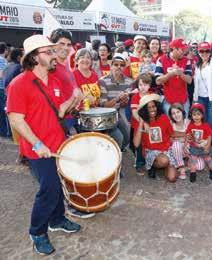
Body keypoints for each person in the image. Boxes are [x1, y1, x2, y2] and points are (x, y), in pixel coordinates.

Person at [6, 35, 81, 255]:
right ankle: (37, 231)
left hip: (57, 144)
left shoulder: (55, 80)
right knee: (49, 189)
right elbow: (15, 119)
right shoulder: (19, 84)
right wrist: (37, 143)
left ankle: (57, 220)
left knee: (58, 185)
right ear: (34, 57)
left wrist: (73, 99)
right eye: (48, 52)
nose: (54, 54)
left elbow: (59, 111)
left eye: (53, 50)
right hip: (37, 149)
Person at [133, 94, 177, 181]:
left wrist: (185, 134)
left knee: (172, 178)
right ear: (145, 110)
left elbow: (172, 134)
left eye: (154, 106)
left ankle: (165, 166)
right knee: (164, 161)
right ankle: (153, 165)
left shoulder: (163, 118)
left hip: (166, 150)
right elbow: (136, 144)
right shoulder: (142, 123)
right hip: (151, 150)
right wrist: (142, 122)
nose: (152, 109)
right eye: (149, 108)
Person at [99, 53, 133, 150]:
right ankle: (115, 157)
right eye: (116, 64)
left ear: (125, 67)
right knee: (119, 138)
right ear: (111, 66)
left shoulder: (129, 82)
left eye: (122, 65)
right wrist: (118, 98)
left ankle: (116, 152)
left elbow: (123, 105)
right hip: (105, 115)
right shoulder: (103, 81)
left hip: (118, 113)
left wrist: (124, 101)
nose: (119, 67)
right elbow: (104, 106)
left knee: (127, 137)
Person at [155, 38, 193, 115]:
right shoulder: (161, 59)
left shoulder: (186, 60)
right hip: (168, 99)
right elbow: (157, 81)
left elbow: (189, 80)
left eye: (185, 49)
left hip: (183, 99)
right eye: (182, 49)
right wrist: (171, 73)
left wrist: (180, 73)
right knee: (170, 125)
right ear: (174, 49)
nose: (184, 52)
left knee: (184, 124)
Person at [185, 103, 212, 183]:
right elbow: (188, 135)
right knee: (193, 160)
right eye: (194, 114)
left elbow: (209, 136)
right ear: (191, 115)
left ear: (202, 115)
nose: (196, 117)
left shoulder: (205, 125)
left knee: (208, 159)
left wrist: (208, 146)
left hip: (204, 146)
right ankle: (193, 173)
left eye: (198, 114)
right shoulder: (190, 125)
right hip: (194, 146)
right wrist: (186, 143)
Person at [130, 73, 152, 175]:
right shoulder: (135, 97)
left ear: (149, 86)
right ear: (138, 86)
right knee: (138, 144)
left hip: (149, 124)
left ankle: (149, 161)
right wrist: (143, 123)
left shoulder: (151, 96)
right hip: (137, 124)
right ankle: (139, 163)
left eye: (145, 85)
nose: (143, 87)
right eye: (141, 85)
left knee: (147, 143)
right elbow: (134, 113)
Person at [169, 103, 191, 180]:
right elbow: (170, 139)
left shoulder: (188, 122)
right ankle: (181, 166)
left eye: (178, 112)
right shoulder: (171, 124)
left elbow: (191, 137)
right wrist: (185, 136)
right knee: (176, 144)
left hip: (188, 148)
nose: (176, 115)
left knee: (201, 165)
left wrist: (185, 142)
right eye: (173, 113)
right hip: (176, 150)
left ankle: (186, 167)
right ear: (171, 116)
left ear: (182, 112)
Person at [0, 42, 8, 137]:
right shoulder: (2, 60)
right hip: (1, 88)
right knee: (3, 111)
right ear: (5, 50)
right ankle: (3, 131)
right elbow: (2, 74)